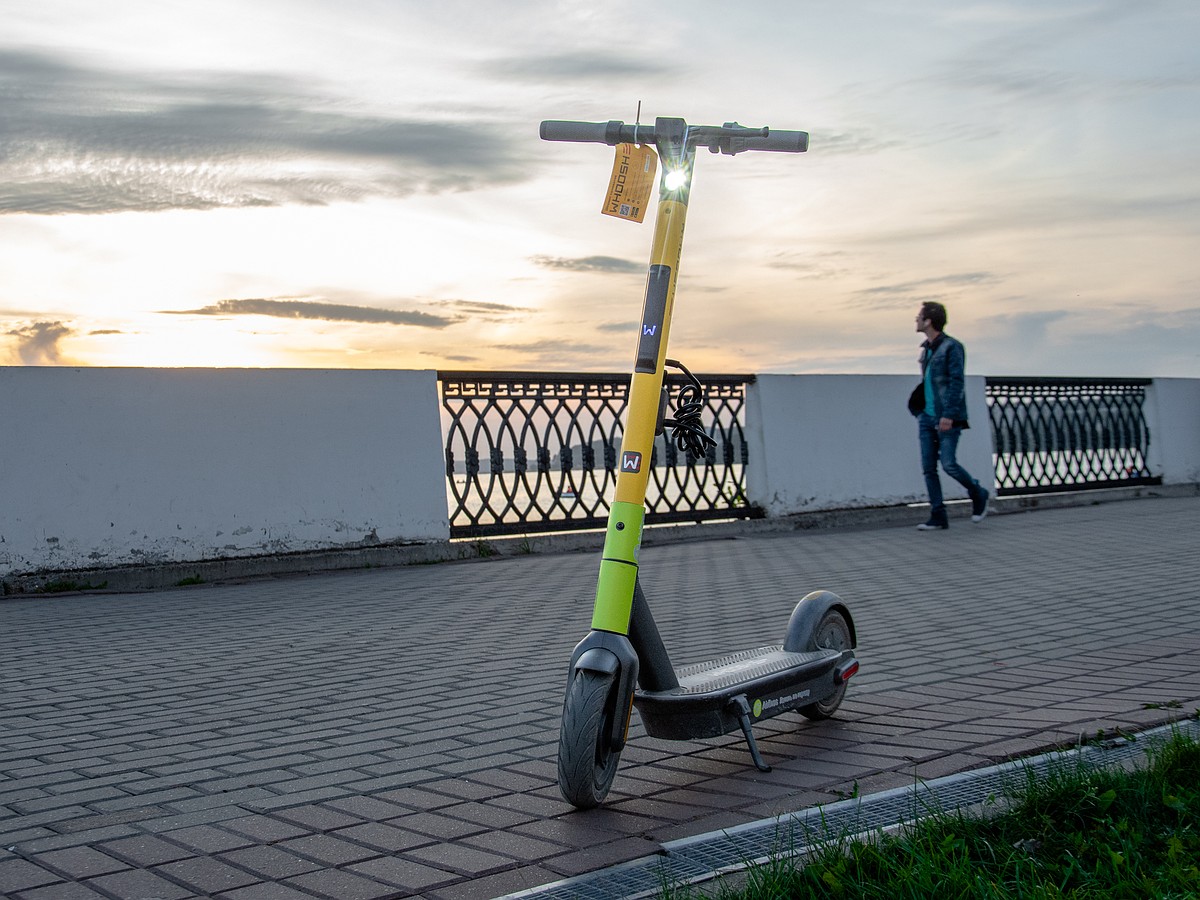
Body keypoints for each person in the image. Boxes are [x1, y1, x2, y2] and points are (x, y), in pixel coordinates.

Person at [913, 301, 989, 530]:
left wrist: (949, 415)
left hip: (946, 417)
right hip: (926, 416)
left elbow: (957, 382)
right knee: (928, 468)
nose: (915, 320)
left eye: (919, 316)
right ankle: (938, 516)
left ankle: (978, 492)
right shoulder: (926, 348)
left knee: (948, 464)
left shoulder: (952, 347)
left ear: (928, 321)